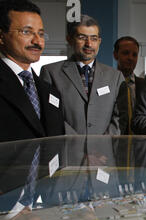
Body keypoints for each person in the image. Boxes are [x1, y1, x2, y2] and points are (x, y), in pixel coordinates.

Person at [40, 15, 123, 135]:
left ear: (99, 41)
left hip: (104, 151)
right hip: (67, 149)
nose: (89, 44)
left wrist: (102, 145)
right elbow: (49, 114)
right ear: (70, 39)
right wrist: (76, 143)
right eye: (82, 37)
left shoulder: (115, 77)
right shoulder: (51, 72)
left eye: (94, 38)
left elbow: (119, 117)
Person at [0, 0, 64, 142]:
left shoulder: (51, 92)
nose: (37, 41)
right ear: (1, 37)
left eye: (41, 34)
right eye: (26, 32)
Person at [114, 36, 145, 135]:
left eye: (134, 55)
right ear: (115, 55)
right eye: (125, 53)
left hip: (140, 143)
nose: (130, 58)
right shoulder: (106, 84)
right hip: (113, 141)